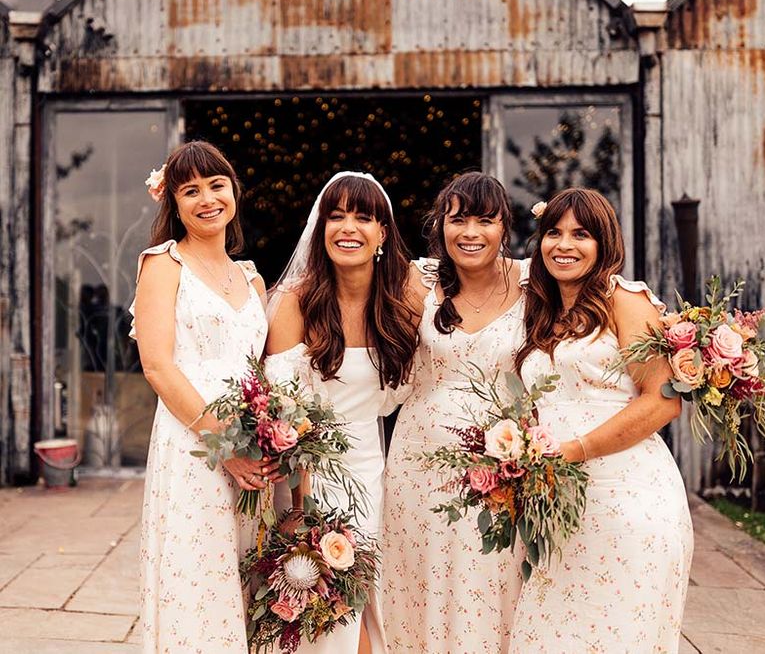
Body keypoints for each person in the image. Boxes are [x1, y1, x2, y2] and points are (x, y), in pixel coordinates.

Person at [509, 187, 693, 653]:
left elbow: (663, 400)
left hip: (627, 498)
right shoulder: (543, 309)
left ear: (604, 242)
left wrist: (575, 450)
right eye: (554, 232)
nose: (564, 245)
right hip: (558, 502)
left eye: (581, 234)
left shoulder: (625, 300)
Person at [131, 140, 282, 652]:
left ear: (233, 191)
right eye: (190, 190)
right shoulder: (162, 265)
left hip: (252, 449)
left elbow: (262, 371)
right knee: (196, 573)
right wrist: (226, 448)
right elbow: (157, 366)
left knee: (246, 573)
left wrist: (275, 439)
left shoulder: (251, 277)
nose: (206, 199)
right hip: (193, 446)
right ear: (173, 202)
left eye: (216, 185)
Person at [265, 171, 419, 654]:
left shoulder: (401, 303)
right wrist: (298, 509)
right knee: (328, 620)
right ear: (321, 227)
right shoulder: (296, 303)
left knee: (375, 614)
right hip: (309, 479)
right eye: (336, 216)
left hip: (375, 474)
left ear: (382, 233)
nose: (347, 227)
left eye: (362, 217)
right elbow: (280, 410)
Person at [382, 172, 527, 653]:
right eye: (458, 219)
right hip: (420, 462)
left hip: (503, 463)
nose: (470, 232)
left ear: (504, 227)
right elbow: (380, 355)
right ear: (440, 225)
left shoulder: (533, 281)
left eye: (485, 220)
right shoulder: (416, 281)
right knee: (422, 582)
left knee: (495, 578)